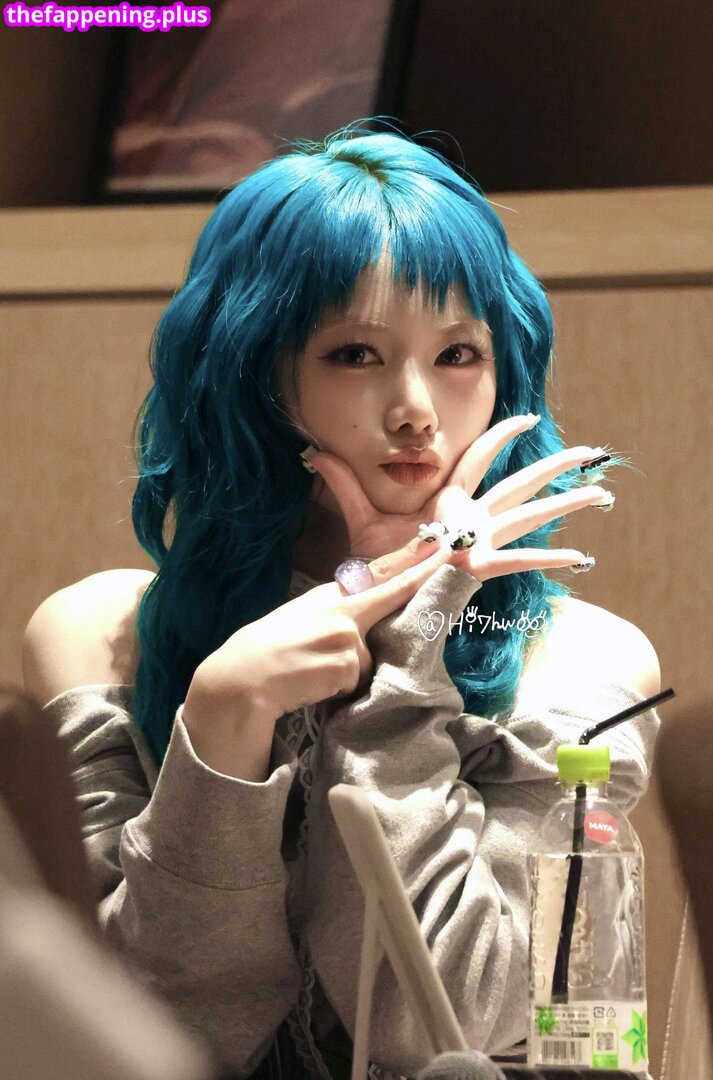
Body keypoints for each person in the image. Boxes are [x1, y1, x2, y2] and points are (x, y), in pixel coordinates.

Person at [22, 122, 661, 1080]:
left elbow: (445, 1024)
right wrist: (223, 720)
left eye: (458, 354)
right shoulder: (100, 633)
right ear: (254, 371)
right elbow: (150, 1039)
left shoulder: (578, 656)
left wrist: (414, 643)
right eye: (355, 354)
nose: (415, 409)